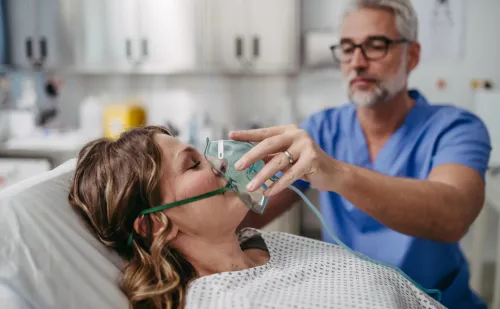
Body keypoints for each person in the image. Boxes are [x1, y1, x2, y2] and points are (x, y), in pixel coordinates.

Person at [230, 0, 491, 309]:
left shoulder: (456, 128)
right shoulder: (321, 129)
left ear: (412, 55)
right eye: (348, 48)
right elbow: (247, 211)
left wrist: (336, 173)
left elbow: (453, 217)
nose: (357, 62)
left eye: (375, 46)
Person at [68, 125, 445, 309]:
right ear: (155, 223)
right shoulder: (218, 302)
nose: (221, 162)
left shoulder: (265, 245)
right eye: (193, 164)